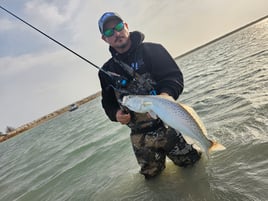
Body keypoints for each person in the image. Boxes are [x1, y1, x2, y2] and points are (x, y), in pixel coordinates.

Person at [98, 12, 201, 179]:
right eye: (109, 32)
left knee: (194, 167)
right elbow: (107, 103)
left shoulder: (153, 50)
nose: (116, 34)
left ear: (126, 26)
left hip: (169, 124)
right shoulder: (105, 72)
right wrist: (116, 114)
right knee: (153, 181)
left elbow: (174, 77)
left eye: (118, 27)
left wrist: (164, 97)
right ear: (104, 39)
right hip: (140, 137)